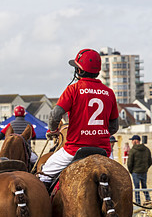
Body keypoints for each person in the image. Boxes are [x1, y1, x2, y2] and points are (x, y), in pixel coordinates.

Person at [39, 49, 119, 185]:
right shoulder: (109, 93)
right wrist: (97, 133)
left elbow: (55, 115)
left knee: (44, 175)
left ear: (80, 71)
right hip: (104, 151)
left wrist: (53, 130)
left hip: (74, 150)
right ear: (98, 72)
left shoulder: (73, 89)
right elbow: (114, 127)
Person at [127, 135, 152, 205]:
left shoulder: (133, 150)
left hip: (135, 172)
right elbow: (150, 162)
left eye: (132, 140)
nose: (132, 142)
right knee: (144, 187)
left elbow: (129, 163)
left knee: (136, 189)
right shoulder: (147, 149)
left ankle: (138, 203)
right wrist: (145, 168)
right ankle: (148, 200)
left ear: (135, 141)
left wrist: (131, 171)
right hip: (144, 172)